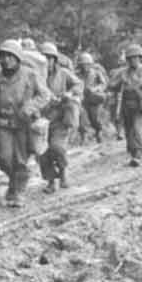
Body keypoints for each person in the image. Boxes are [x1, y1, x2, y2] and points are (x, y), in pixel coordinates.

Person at [0, 38, 50, 208]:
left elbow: (45, 95)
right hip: (3, 124)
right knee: (4, 160)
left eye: (10, 56)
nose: (6, 59)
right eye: (3, 56)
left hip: (23, 124)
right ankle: (13, 182)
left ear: (17, 57)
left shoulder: (30, 74)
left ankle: (19, 192)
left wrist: (30, 107)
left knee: (21, 161)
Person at [36, 41, 81, 191]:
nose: (46, 61)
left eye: (49, 58)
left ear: (54, 59)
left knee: (57, 147)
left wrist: (69, 93)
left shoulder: (63, 73)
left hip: (60, 118)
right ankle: (50, 181)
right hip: (41, 119)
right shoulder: (35, 75)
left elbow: (78, 84)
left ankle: (63, 172)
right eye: (43, 58)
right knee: (42, 152)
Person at [76, 52, 109, 143]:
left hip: (94, 99)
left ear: (90, 64)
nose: (85, 66)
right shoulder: (77, 74)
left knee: (94, 118)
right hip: (82, 99)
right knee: (81, 118)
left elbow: (103, 84)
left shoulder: (96, 73)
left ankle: (99, 132)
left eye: (87, 64)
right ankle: (83, 136)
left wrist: (95, 89)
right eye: (83, 64)